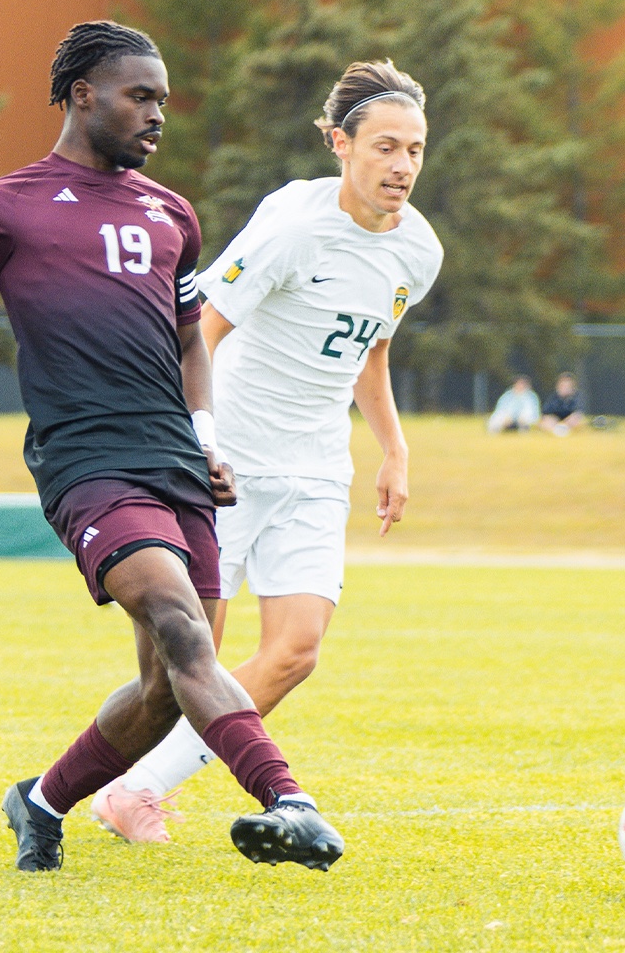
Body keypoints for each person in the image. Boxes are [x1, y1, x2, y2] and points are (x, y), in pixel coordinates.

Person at [0, 20, 343, 873]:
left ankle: (39, 801)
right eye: (140, 96)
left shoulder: (172, 214)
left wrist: (206, 440)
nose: (158, 115)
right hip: (88, 462)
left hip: (176, 463)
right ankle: (288, 800)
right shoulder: (4, 205)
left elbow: (192, 339)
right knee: (180, 625)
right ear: (84, 94)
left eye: (163, 100)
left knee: (163, 690)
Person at [90, 60, 443, 844]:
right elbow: (203, 327)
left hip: (317, 470)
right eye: (386, 147)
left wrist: (395, 450)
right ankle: (75, 782)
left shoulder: (418, 251)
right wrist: (195, 439)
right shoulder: (292, 224)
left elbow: (371, 351)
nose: (403, 166)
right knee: (184, 665)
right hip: (228, 467)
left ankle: (137, 791)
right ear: (340, 145)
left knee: (294, 652)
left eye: (415, 149)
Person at [540, 371, 586, 435]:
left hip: (570, 423)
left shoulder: (577, 397)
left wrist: (565, 424)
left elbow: (578, 413)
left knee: (577, 420)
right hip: (555, 423)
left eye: (567, 386)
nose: (564, 388)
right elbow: (545, 414)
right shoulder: (553, 398)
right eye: (562, 386)